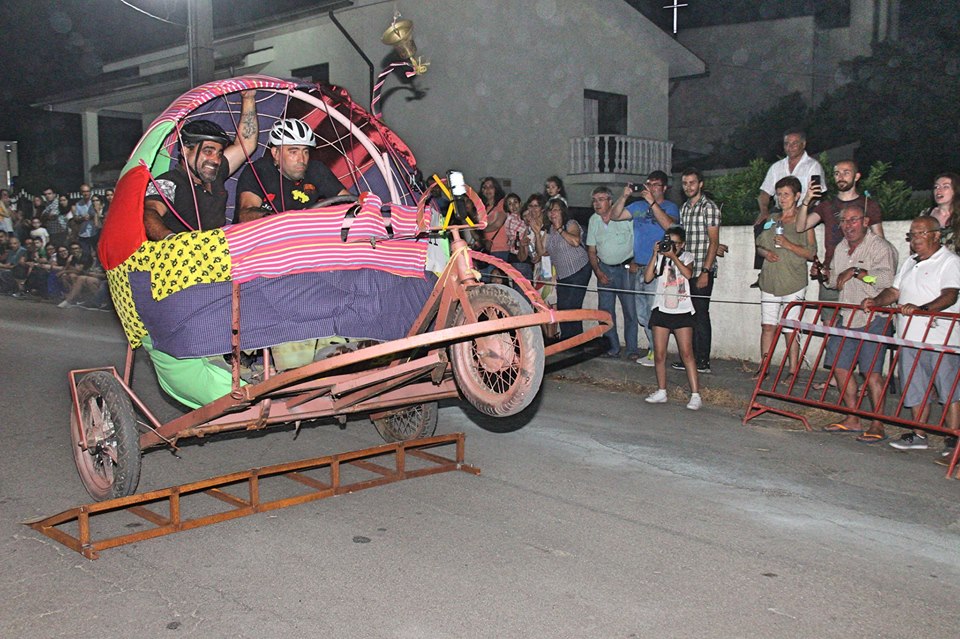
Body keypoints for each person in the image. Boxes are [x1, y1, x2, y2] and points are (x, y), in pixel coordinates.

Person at [862, 217, 960, 457]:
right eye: (911, 235)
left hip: (940, 339)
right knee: (915, 388)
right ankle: (919, 434)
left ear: (936, 235)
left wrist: (924, 309)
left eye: (920, 234)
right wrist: (876, 301)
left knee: (948, 391)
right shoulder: (909, 262)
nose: (915, 239)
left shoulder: (949, 262)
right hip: (910, 338)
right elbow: (894, 291)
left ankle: (954, 437)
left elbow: (950, 295)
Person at [819, 204, 898, 440]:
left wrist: (857, 272)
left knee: (871, 373)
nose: (848, 225)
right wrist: (824, 275)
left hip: (873, 318)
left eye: (853, 220)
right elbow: (836, 282)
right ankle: (852, 417)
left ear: (865, 221)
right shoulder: (841, 247)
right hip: (847, 316)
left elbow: (884, 280)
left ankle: (878, 423)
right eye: (844, 221)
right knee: (840, 368)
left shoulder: (880, 247)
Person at [143, 90, 257, 240]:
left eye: (219, 153)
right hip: (183, 259)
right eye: (208, 151)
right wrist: (171, 241)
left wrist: (248, 98)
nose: (215, 160)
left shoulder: (215, 174)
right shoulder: (168, 182)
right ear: (185, 150)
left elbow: (246, 144)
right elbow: (150, 213)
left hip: (217, 257)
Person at [611, 170, 680, 367]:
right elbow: (614, 216)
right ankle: (653, 350)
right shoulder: (638, 206)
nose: (650, 187)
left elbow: (670, 226)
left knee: (655, 311)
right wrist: (624, 196)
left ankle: (658, 353)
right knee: (642, 314)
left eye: (656, 184)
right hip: (639, 267)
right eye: (648, 184)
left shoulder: (670, 207)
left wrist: (652, 203)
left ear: (665, 188)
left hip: (658, 267)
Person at [754, 176, 817, 378]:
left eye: (786, 194)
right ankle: (763, 368)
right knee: (768, 325)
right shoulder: (772, 219)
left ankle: (793, 370)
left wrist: (788, 244)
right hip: (770, 279)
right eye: (779, 194)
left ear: (797, 196)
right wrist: (766, 253)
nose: (782, 198)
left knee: (790, 327)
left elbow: (811, 253)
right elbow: (759, 244)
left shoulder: (805, 220)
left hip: (793, 280)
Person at [235, 118, 348, 222]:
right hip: (260, 238)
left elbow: (349, 201)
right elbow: (245, 215)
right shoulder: (259, 170)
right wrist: (282, 221)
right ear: (276, 153)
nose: (302, 159)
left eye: (305, 151)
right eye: (293, 152)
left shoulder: (316, 170)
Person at [643, 225, 701, 410]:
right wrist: (655, 255)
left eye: (675, 243)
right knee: (659, 354)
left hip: (682, 310)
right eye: (669, 242)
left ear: (682, 245)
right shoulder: (660, 257)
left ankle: (695, 394)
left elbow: (688, 274)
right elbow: (647, 278)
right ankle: (661, 391)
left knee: (687, 353)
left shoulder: (687, 257)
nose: (671, 246)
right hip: (661, 309)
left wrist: (673, 257)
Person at [673, 168, 721, 374]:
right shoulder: (684, 208)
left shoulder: (708, 208)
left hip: (703, 268)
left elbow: (713, 242)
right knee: (688, 314)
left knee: (701, 314)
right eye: (685, 183)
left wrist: (705, 271)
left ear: (700, 184)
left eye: (692, 183)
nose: (688, 187)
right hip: (688, 269)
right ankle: (689, 358)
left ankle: (703, 360)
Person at [586, 186, 638, 359]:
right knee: (606, 312)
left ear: (610, 201)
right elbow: (591, 250)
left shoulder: (624, 217)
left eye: (601, 199)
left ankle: (632, 350)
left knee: (630, 311)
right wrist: (598, 272)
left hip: (625, 270)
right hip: (605, 269)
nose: (596, 203)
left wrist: (633, 262)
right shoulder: (594, 220)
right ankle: (612, 348)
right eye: (594, 200)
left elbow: (637, 241)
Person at [536, 199, 591, 339]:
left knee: (572, 307)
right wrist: (537, 233)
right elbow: (542, 252)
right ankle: (568, 341)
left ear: (562, 211)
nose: (552, 213)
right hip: (563, 275)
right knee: (562, 308)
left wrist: (560, 228)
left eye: (555, 210)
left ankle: (576, 342)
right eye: (550, 210)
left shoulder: (570, 224)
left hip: (579, 270)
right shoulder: (549, 231)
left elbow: (575, 241)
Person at [756, 128, 826, 228]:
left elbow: (815, 195)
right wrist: (764, 211)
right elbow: (764, 193)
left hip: (806, 209)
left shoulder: (813, 166)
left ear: (803, 144)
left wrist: (798, 211)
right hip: (780, 209)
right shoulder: (776, 167)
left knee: (793, 229)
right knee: (761, 227)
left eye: (795, 143)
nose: (790, 147)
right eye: (787, 143)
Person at [923, 173, 959, 249]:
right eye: (936, 187)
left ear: (955, 191)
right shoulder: (926, 214)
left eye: (945, 187)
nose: (939, 190)